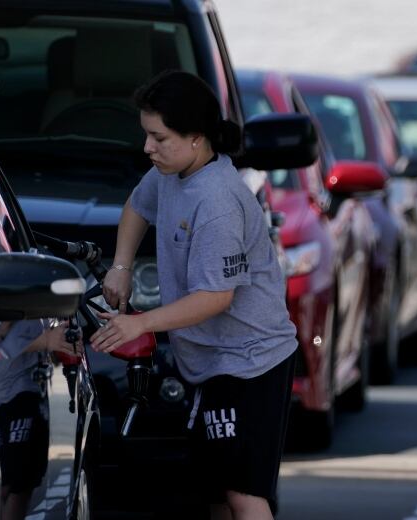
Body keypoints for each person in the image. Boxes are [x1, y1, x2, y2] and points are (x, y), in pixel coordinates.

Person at [90, 70, 297, 520]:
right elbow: (136, 206)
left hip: (251, 361)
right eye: (146, 134)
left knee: (243, 493)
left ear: (197, 138)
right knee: (214, 493)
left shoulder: (218, 201)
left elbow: (215, 298)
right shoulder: (170, 171)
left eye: (158, 137)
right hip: (207, 358)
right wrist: (121, 266)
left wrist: (140, 322)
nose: (148, 148)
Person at [0, 319, 81, 520]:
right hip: (6, 398)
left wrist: (60, 340)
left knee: (24, 484)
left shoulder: (41, 301)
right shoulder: (1, 295)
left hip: (36, 392)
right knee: (5, 483)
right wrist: (45, 340)